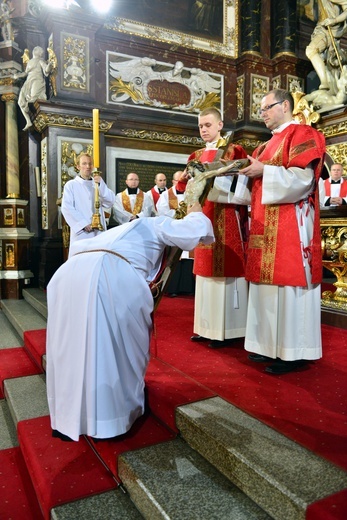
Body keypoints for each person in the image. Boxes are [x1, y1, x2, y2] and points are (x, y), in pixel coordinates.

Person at [46, 202, 214, 442]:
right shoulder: (153, 223)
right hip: (105, 276)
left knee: (68, 350)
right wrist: (196, 211)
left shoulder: (115, 233)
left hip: (66, 277)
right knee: (111, 350)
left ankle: (67, 419)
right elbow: (193, 231)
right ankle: (110, 421)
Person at [241, 89, 326, 374]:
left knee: (288, 287)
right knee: (266, 288)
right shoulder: (264, 146)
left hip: (291, 223)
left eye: (267, 107)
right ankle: (268, 346)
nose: (262, 113)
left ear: (285, 105)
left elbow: (303, 180)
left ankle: (294, 351)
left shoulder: (302, 134)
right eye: (261, 109)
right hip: (265, 224)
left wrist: (265, 171)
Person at [177, 107, 249, 348]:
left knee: (224, 272)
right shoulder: (194, 156)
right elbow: (185, 189)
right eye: (200, 126)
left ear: (220, 125)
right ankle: (205, 327)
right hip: (202, 216)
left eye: (208, 125)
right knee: (205, 274)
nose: (204, 129)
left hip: (226, 216)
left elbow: (243, 183)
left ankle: (228, 331)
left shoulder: (233, 150)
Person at [61, 153, 116, 256]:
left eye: (90, 164)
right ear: (78, 166)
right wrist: (83, 224)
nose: (88, 166)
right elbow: (67, 208)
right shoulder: (71, 185)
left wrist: (101, 185)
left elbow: (110, 201)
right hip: (82, 232)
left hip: (99, 232)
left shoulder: (97, 184)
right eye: (84, 163)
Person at [305, 1, 347, 91]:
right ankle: (326, 82)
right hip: (321, 28)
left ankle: (325, 83)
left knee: (311, 50)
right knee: (318, 55)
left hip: (330, 30)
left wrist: (334, 20)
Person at [15, 46, 54, 131]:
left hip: (37, 80)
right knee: (20, 101)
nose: (38, 52)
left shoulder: (40, 60)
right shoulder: (29, 62)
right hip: (28, 82)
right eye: (37, 50)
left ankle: (29, 107)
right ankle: (28, 121)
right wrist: (17, 75)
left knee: (33, 98)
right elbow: (25, 73)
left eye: (40, 51)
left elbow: (46, 71)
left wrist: (50, 65)